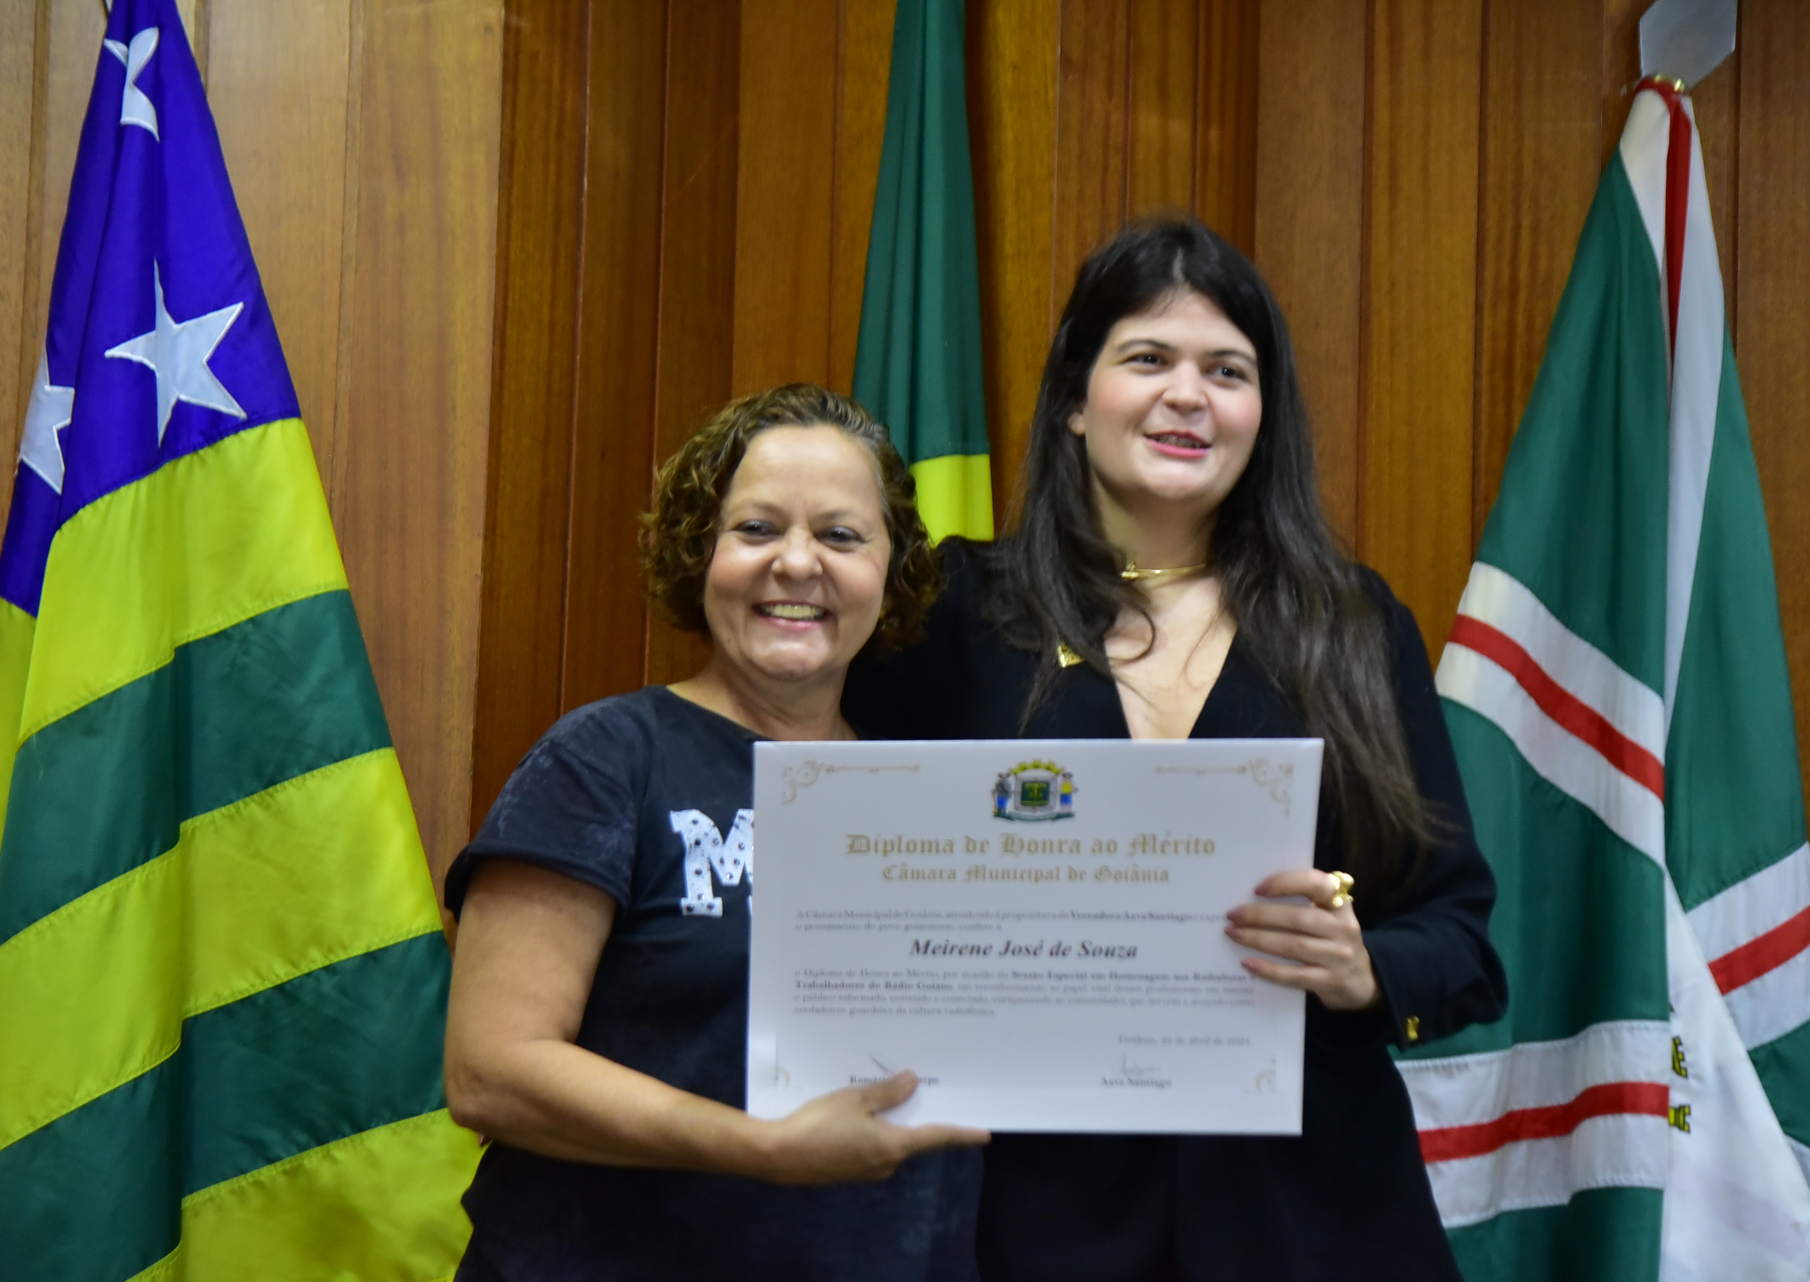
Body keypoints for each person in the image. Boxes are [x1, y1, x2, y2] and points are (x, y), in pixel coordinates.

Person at [844, 219, 1508, 1281]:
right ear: (1075, 398)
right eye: (1148, 358)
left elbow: (1459, 935)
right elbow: (848, 862)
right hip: (1031, 1223)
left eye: (1227, 371)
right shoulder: (958, 611)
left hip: (1313, 1218)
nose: (1188, 395)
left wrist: (1364, 969)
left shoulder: (1351, 625)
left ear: (1263, 413)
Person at [442, 384, 989, 1282]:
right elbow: (490, 1073)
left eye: (841, 536)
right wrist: (757, 1146)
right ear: (700, 554)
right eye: (757, 528)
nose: (797, 563)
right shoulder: (607, 758)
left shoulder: (937, 800)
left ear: (892, 573)